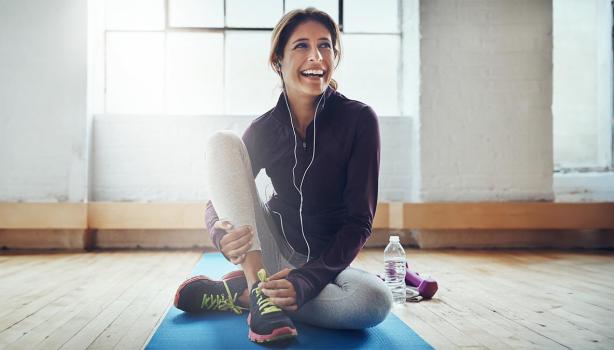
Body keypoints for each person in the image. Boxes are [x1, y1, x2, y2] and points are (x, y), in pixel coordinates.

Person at [174, 7, 393, 343]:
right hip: (272, 251)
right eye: (301, 46)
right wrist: (220, 234)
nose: (316, 56)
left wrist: (306, 280)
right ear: (278, 61)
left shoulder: (359, 121)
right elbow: (218, 200)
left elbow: (359, 222)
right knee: (222, 142)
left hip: (327, 265)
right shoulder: (265, 129)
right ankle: (261, 287)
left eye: (325, 46)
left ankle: (248, 294)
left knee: (373, 302)